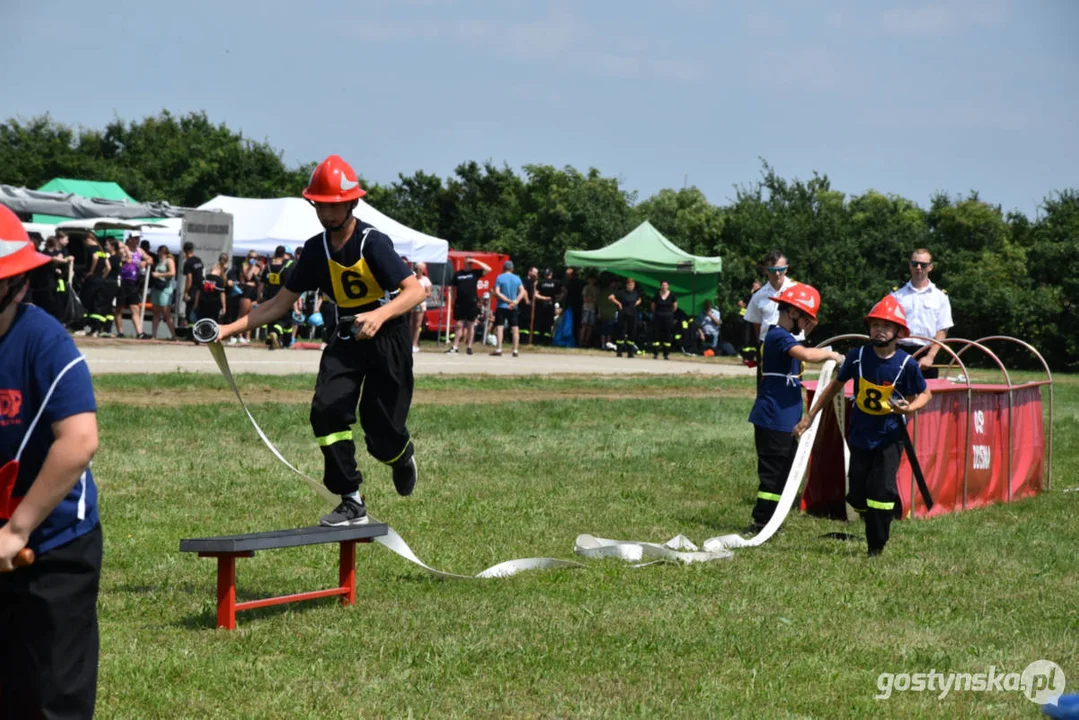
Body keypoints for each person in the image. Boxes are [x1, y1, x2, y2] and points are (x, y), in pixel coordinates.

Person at [215, 154, 425, 526]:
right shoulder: (315, 251)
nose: (327, 214)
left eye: (334, 206)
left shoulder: (373, 243)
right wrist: (224, 331)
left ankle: (401, 455)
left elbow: (414, 291)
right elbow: (277, 305)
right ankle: (351, 499)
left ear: (352, 202)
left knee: (381, 433)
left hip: (387, 337)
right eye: (320, 206)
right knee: (326, 411)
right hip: (345, 337)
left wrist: (378, 316)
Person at [0, 206, 103, 718]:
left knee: (51, 694)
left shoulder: (44, 342)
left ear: (16, 285)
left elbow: (79, 441)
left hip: (54, 545)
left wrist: (18, 530)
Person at [795, 295, 931, 556]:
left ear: (898, 332)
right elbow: (833, 388)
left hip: (890, 436)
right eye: (875, 325)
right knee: (857, 492)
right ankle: (874, 516)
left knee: (881, 489)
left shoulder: (906, 363)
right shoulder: (858, 358)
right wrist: (809, 416)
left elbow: (925, 394)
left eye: (886, 326)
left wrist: (909, 408)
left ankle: (876, 545)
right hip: (860, 433)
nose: (879, 330)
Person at [746, 284, 844, 533]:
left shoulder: (785, 336)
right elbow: (806, 355)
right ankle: (762, 521)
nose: (808, 322)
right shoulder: (776, 335)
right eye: (806, 316)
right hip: (773, 417)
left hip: (784, 418)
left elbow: (800, 347)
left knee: (784, 470)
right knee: (773, 473)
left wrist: (807, 334)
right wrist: (831, 355)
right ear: (792, 312)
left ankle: (772, 520)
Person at [891, 249, 953, 379]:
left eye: (923, 265)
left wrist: (930, 356)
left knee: (927, 397)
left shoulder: (940, 296)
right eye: (915, 264)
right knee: (895, 396)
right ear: (910, 265)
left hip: (927, 353)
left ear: (930, 267)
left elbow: (942, 330)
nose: (918, 268)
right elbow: (888, 326)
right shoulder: (896, 295)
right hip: (899, 351)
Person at [745, 251, 799, 344]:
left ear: (786, 269)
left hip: (794, 343)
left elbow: (811, 321)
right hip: (768, 344)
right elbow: (756, 323)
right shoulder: (758, 295)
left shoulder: (797, 290)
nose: (777, 273)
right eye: (773, 270)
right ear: (765, 270)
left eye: (781, 269)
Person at [445, 256, 491, 355]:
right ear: (464, 263)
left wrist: (476, 261)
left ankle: (469, 347)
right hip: (460, 303)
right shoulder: (458, 274)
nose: (470, 264)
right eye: (468, 262)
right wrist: (452, 299)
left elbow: (488, 269)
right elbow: (452, 288)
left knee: (471, 325)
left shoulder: (475, 273)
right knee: (459, 325)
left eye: (471, 263)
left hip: (472, 302)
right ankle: (455, 346)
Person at [262, 245, 295, 350]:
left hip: (269, 297)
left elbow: (261, 284)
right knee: (284, 320)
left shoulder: (268, 267)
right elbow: (289, 285)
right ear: (284, 254)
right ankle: (276, 334)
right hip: (282, 297)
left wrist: (260, 296)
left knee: (271, 318)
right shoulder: (285, 268)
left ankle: (270, 339)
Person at [491, 260, 526, 357]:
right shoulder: (517, 278)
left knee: (500, 327)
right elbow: (522, 291)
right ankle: (515, 350)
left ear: (503, 268)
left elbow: (497, 292)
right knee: (515, 328)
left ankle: (499, 349)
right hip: (513, 307)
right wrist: (515, 301)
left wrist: (507, 301)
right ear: (512, 269)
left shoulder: (499, 277)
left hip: (502, 305)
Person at [149, 245, 178, 340]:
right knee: (156, 312)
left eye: (158, 252)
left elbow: (172, 273)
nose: (157, 254)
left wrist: (159, 274)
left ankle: (173, 335)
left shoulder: (169, 260)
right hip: (157, 288)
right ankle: (154, 335)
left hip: (165, 289)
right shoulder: (159, 262)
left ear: (162, 252)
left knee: (166, 313)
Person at [610, 277, 642, 358]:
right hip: (623, 314)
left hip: (633, 315)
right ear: (626, 285)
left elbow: (640, 299)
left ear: (634, 285)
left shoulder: (635, 293)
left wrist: (637, 303)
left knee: (632, 333)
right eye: (629, 285)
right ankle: (619, 352)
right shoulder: (621, 292)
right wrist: (619, 304)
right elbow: (610, 297)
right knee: (621, 332)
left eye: (632, 285)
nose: (630, 286)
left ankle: (630, 352)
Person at [650, 280, 678, 360]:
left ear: (668, 286)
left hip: (668, 318)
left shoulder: (672, 296)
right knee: (656, 335)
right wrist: (657, 313)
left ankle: (666, 354)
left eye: (665, 285)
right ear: (660, 286)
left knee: (667, 335)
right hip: (658, 317)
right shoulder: (656, 295)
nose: (664, 287)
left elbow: (675, 307)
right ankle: (655, 353)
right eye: (662, 285)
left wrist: (669, 313)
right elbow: (652, 306)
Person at [180, 241, 204, 327]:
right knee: (198, 310)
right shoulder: (198, 260)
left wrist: (186, 292)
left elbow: (189, 279)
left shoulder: (188, 263)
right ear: (192, 250)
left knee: (189, 311)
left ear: (184, 250)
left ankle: (191, 333)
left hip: (193, 290)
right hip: (201, 289)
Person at [410, 262, 432, 353]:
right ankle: (409, 342)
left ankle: (415, 344)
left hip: (421, 304)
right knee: (410, 324)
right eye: (417, 269)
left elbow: (428, 293)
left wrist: (420, 296)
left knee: (417, 325)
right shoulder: (412, 278)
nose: (418, 270)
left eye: (420, 269)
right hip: (411, 303)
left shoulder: (426, 280)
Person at [534, 268, 559, 344]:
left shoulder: (540, 282)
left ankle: (537, 340)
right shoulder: (556, 283)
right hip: (550, 305)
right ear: (551, 274)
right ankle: (546, 341)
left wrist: (543, 298)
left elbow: (535, 294)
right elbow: (563, 293)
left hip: (541, 305)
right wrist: (555, 299)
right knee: (549, 324)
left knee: (539, 323)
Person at [579, 273, 599, 348]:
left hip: (592, 309)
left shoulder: (596, 289)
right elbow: (584, 299)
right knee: (584, 325)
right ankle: (581, 341)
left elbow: (596, 300)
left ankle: (586, 342)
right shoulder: (585, 288)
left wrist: (590, 299)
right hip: (586, 308)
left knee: (590, 326)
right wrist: (591, 299)